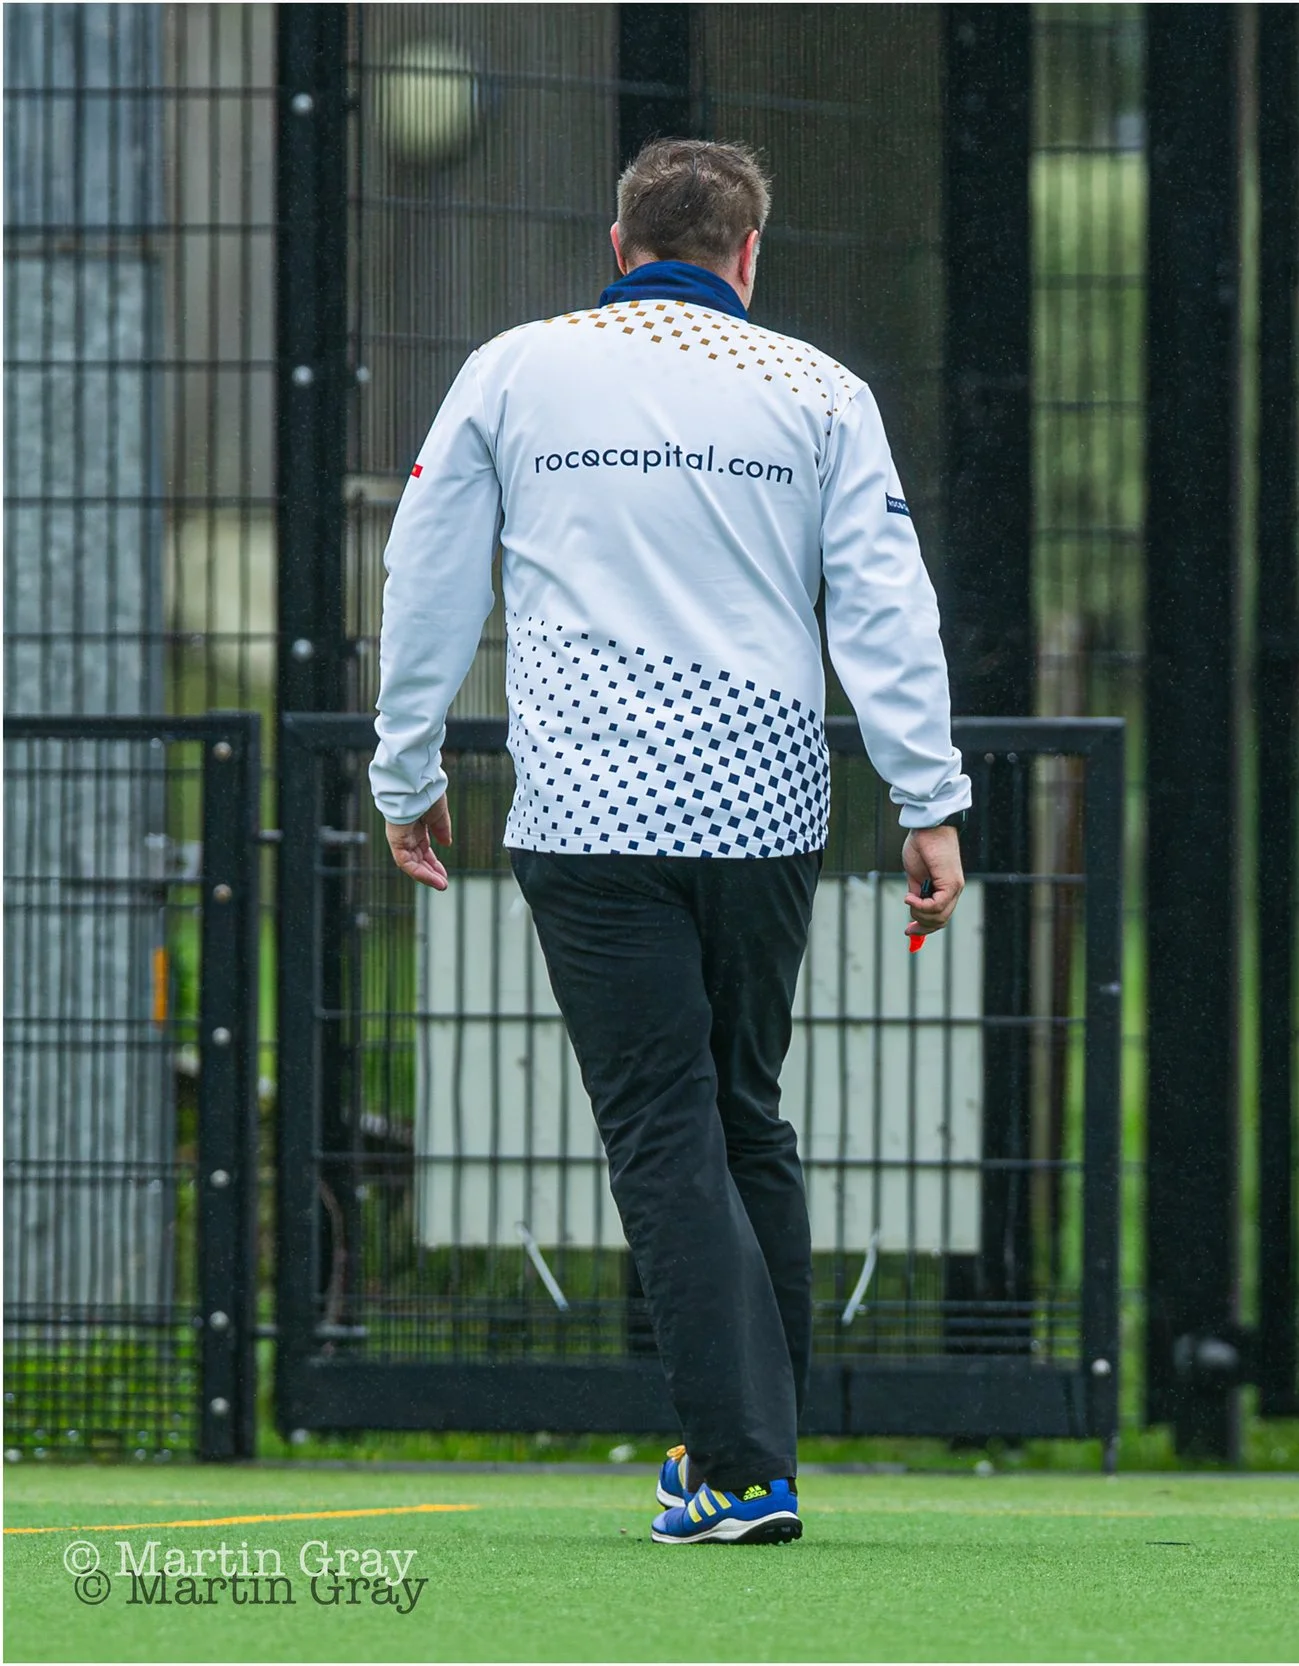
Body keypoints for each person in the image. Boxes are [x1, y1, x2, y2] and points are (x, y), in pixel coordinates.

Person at [368, 137, 969, 1546]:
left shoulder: (518, 369)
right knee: (743, 1110)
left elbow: (429, 570)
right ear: (750, 256)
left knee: (659, 1122)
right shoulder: (821, 390)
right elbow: (885, 604)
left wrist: (408, 767)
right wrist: (928, 799)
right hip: (764, 811)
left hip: (589, 813)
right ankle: (743, 1443)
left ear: (619, 241)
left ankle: (744, 1468)